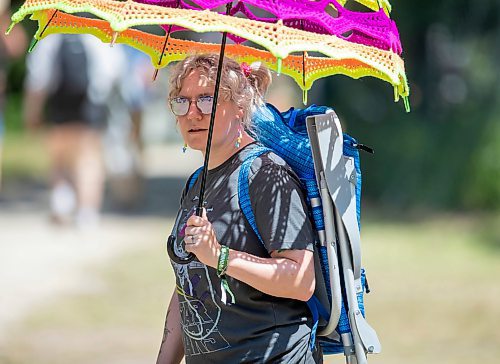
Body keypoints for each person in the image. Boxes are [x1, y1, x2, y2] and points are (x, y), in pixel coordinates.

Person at [157, 54, 322, 363]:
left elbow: (301, 280)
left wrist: (220, 256)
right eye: (182, 102)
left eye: (206, 100)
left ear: (241, 106)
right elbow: (188, 286)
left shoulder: (266, 173)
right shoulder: (197, 182)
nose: (192, 113)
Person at [23, 34, 125, 228]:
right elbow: (113, 73)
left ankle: (61, 204)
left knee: (59, 159)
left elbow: (37, 80)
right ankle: (87, 213)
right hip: (90, 107)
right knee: (89, 161)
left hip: (59, 106)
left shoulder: (49, 39)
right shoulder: (98, 37)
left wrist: (32, 113)